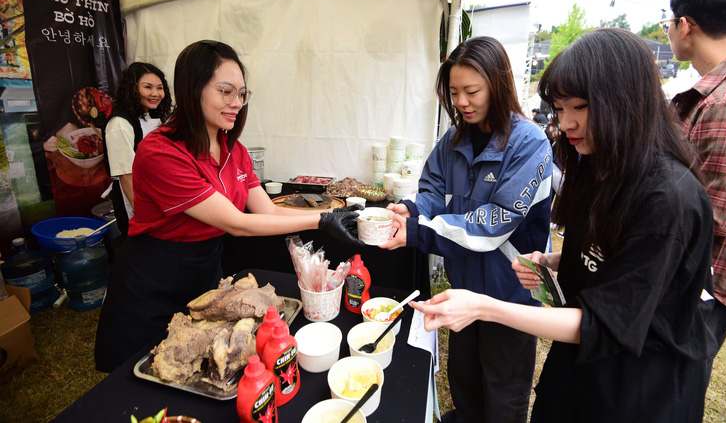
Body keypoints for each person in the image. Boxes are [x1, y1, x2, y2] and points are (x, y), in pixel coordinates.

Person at [411, 28, 718, 423]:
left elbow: (604, 322)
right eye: (558, 109)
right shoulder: (598, 166)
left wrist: (486, 307)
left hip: (638, 389)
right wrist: (557, 259)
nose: (566, 124)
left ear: (626, 102)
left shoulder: (668, 199)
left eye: (579, 108)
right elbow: (615, 257)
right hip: (577, 372)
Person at [94, 40, 363, 372]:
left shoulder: (235, 151)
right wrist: (319, 222)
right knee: (146, 377)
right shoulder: (161, 152)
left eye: (242, 94)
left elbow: (268, 211)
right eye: (225, 92)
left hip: (205, 271)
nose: (236, 103)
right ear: (192, 89)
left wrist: (330, 213)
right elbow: (236, 222)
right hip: (153, 279)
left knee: (206, 368)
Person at [382, 36, 553, 423]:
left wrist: (417, 232)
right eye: (454, 92)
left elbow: (494, 224)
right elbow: (431, 192)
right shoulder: (454, 139)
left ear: (498, 83)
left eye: (472, 91)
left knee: (503, 394)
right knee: (465, 381)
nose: (462, 102)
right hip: (463, 289)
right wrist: (408, 210)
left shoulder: (530, 144)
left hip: (512, 297)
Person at [666, 0, 726, 357]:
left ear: (685, 25)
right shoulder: (708, 96)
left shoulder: (722, 105)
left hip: (700, 282)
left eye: (669, 23)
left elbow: (718, 216)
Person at [102, 62, 173, 235]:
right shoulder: (120, 123)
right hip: (134, 198)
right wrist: (143, 215)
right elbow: (126, 174)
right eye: (147, 87)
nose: (155, 93)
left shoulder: (155, 117)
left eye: (159, 88)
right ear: (132, 89)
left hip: (159, 193)